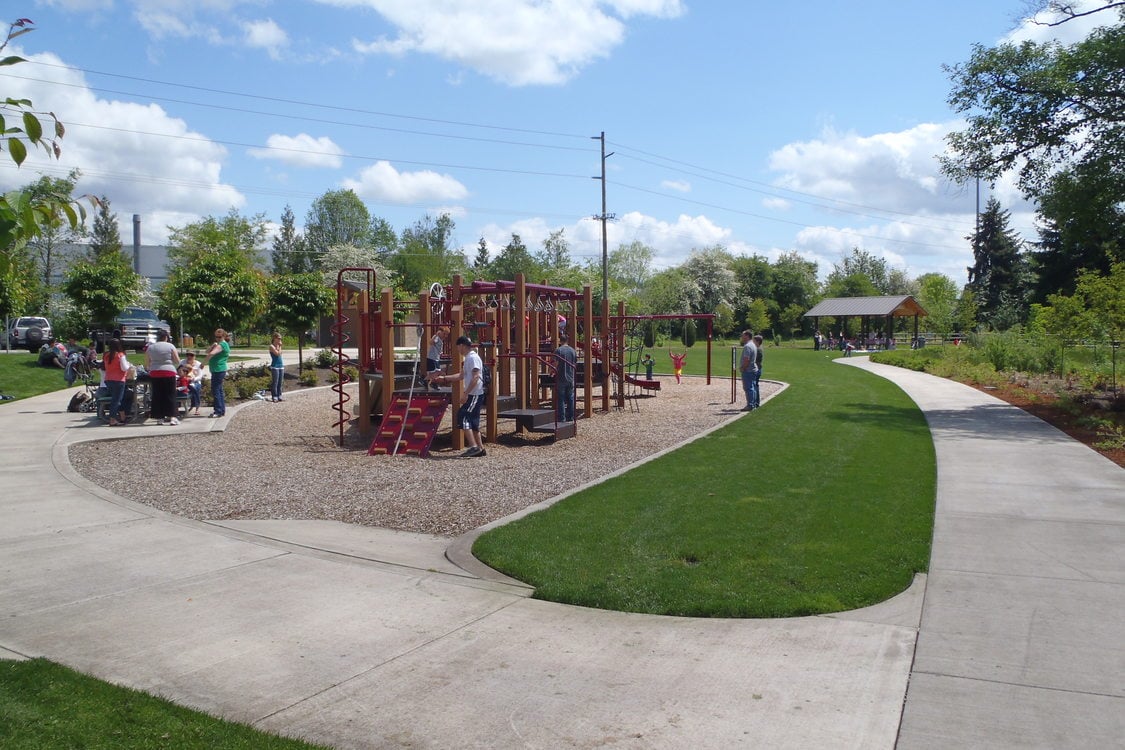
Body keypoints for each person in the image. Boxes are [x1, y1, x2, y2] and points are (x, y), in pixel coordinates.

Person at [432, 335, 486, 457]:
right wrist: (444, 378)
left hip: (474, 394)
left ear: (461, 345)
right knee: (473, 420)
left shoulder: (472, 358)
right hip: (474, 393)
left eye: (457, 347)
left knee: (463, 416)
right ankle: (480, 448)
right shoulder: (468, 358)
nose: (457, 350)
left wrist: (466, 393)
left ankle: (473, 447)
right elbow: (461, 376)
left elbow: (476, 377)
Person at [145, 328, 181, 425]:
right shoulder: (170, 346)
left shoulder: (150, 347)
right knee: (170, 394)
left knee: (157, 395)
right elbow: (177, 360)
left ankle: (159, 417)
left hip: (155, 372)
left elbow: (147, 363)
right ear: (166, 337)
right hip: (169, 371)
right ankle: (172, 417)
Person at [103, 338, 132, 426]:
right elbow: (124, 368)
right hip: (119, 379)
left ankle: (123, 417)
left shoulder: (106, 355)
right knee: (116, 400)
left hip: (108, 379)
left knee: (117, 399)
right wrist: (129, 366)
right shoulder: (120, 355)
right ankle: (112, 419)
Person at [205, 328, 230, 418]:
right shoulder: (218, 344)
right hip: (216, 370)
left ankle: (218, 411)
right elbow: (207, 351)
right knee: (219, 390)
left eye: (219, 337)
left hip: (219, 369)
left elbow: (211, 354)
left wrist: (203, 363)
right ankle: (221, 410)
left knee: (215, 390)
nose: (217, 338)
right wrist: (212, 346)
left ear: (223, 336)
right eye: (216, 337)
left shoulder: (222, 345)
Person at [554, 332, 577, 422]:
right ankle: (571, 417)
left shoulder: (558, 350)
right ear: (567, 341)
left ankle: (562, 418)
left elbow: (556, 363)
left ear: (560, 341)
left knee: (561, 398)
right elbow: (575, 363)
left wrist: (551, 371)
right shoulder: (573, 351)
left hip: (561, 377)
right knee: (571, 397)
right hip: (571, 377)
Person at [422, 325, 448, 389]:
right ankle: (424, 380)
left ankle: (433, 383)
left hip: (436, 358)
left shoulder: (441, 340)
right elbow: (431, 342)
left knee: (436, 372)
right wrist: (436, 335)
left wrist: (440, 354)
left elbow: (438, 349)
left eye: (446, 335)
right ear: (440, 332)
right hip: (432, 358)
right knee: (437, 372)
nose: (445, 336)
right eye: (444, 334)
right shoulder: (437, 337)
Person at [739, 330, 758, 412]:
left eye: (743, 335)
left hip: (748, 370)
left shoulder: (747, 346)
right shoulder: (753, 344)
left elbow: (746, 359)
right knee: (752, 387)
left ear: (747, 336)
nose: (741, 337)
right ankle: (753, 403)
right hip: (753, 369)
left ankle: (750, 405)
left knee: (748, 388)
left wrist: (743, 367)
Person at [182, 351, 203, 415]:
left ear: (194, 356)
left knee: (195, 388)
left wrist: (193, 379)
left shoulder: (198, 364)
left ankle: (197, 407)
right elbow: (178, 372)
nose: (189, 357)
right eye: (188, 355)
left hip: (195, 381)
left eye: (191, 355)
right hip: (184, 380)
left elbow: (200, 375)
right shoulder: (182, 362)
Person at [268, 332, 285, 402]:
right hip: (275, 366)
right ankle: (274, 396)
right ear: (274, 338)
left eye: (280, 338)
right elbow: (277, 354)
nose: (280, 340)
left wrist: (279, 347)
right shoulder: (271, 346)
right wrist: (280, 346)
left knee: (280, 382)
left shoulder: (278, 346)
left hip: (281, 366)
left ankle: (279, 395)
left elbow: (280, 353)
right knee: (275, 382)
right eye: (278, 338)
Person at [752, 334, 764, 410]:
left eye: (754, 341)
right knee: (756, 385)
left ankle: (755, 402)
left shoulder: (758, 349)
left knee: (755, 386)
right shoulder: (758, 348)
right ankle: (756, 402)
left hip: (757, 369)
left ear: (758, 341)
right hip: (758, 369)